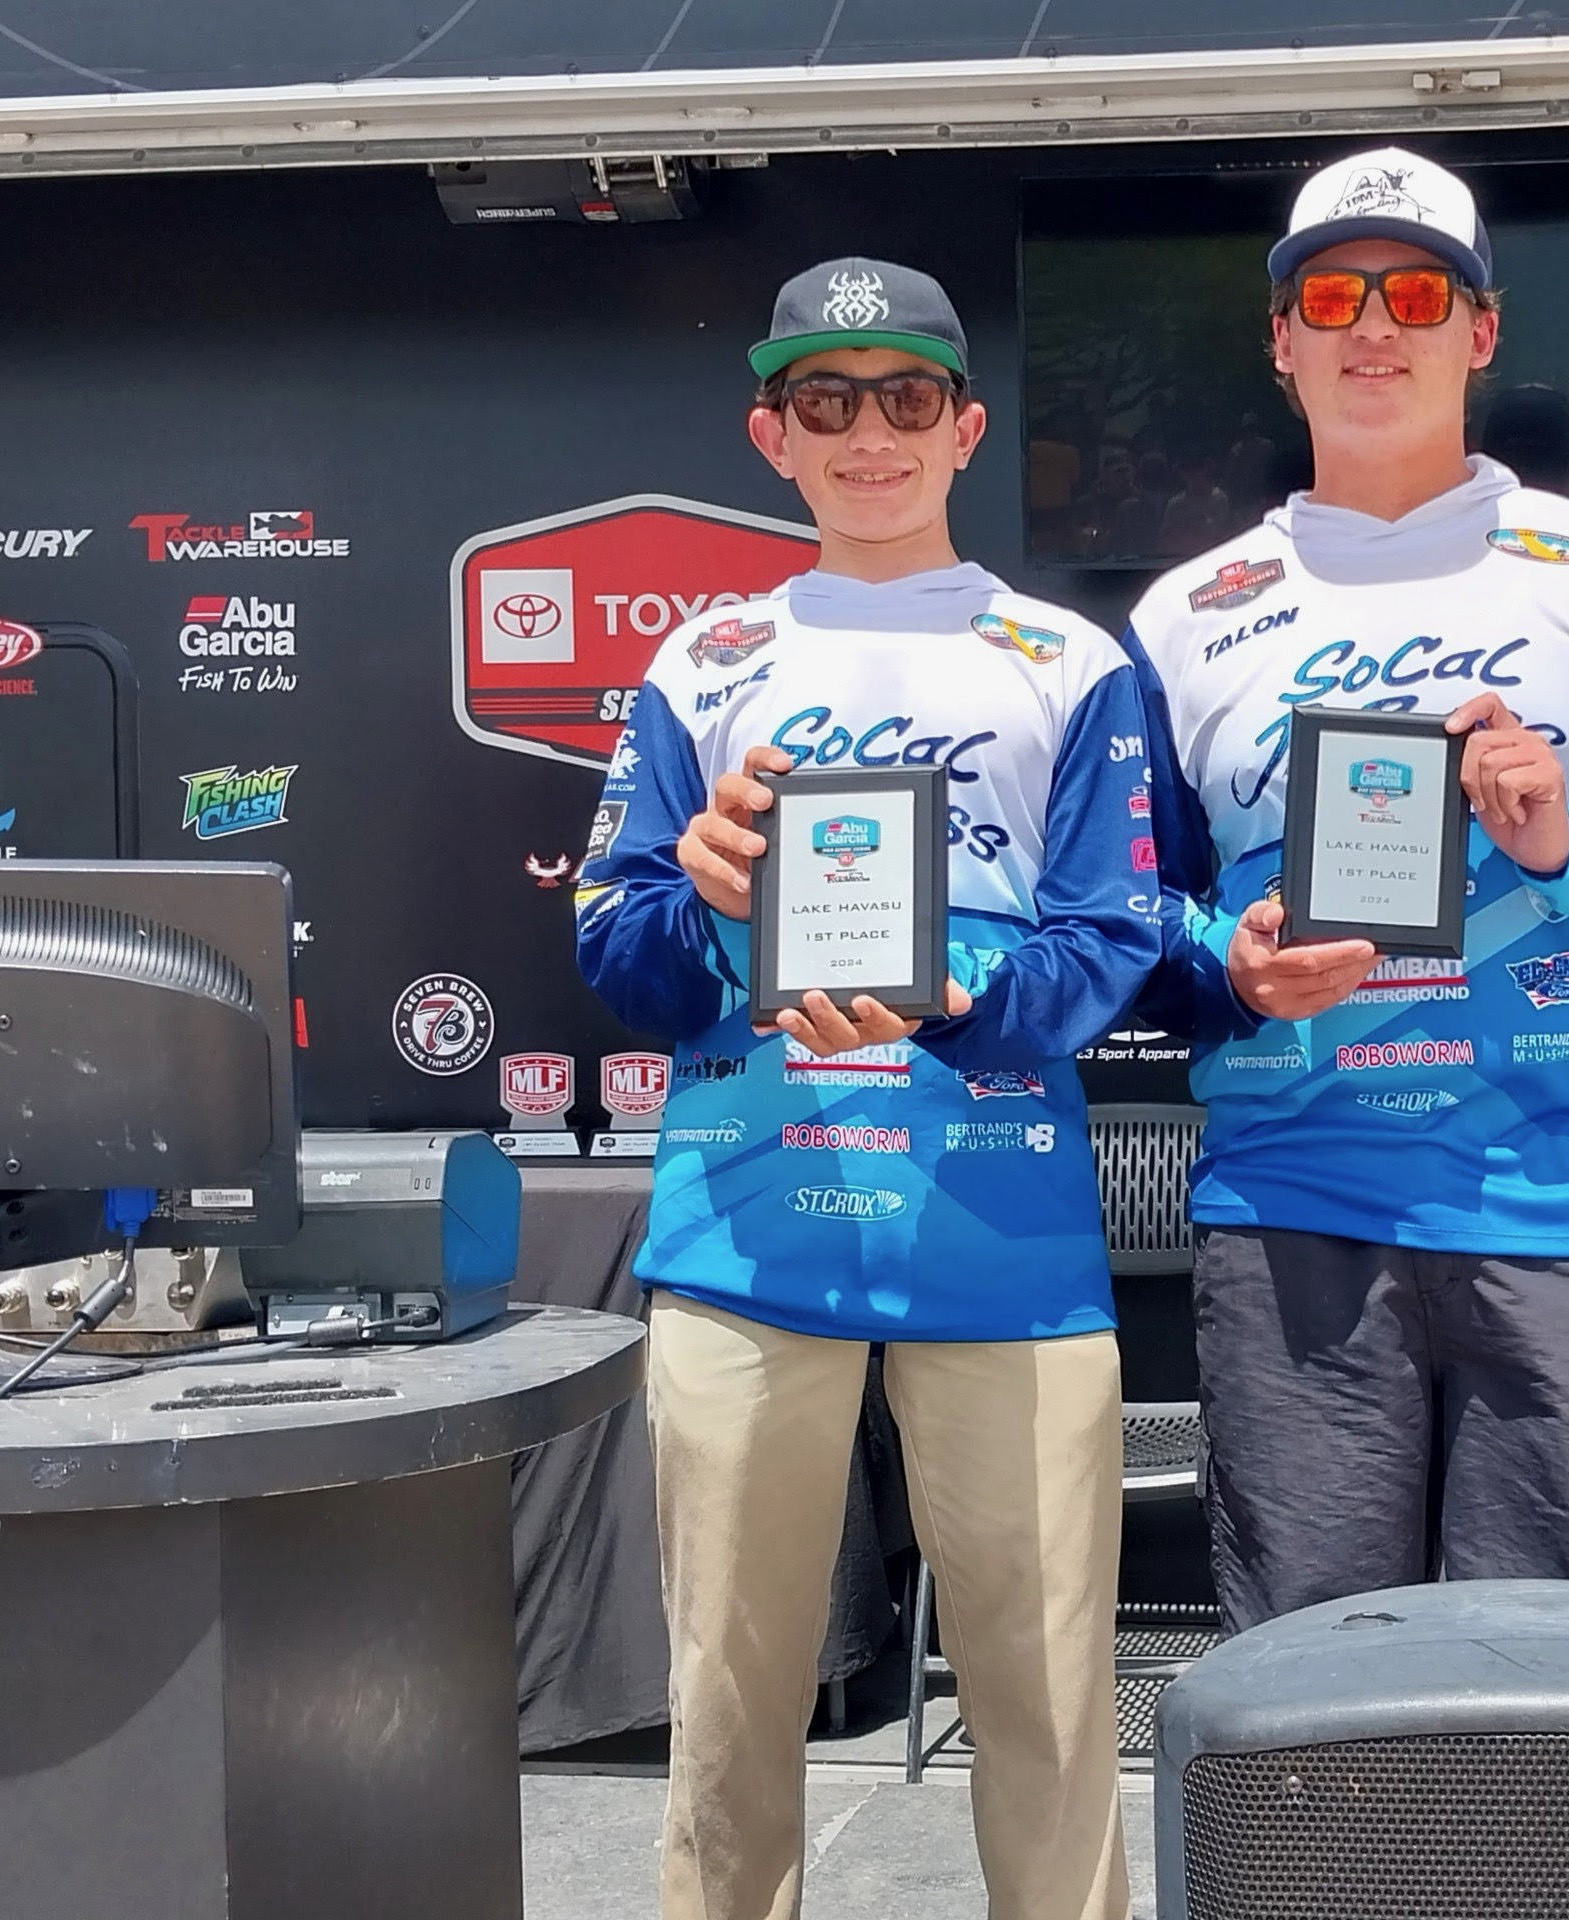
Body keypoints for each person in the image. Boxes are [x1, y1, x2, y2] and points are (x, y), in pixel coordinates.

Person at [1123, 150, 1569, 1634]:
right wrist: (1230, 967)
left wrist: (1565, 847)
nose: (1373, 326)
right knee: (1309, 1690)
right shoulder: (1183, 617)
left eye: (1416, 294)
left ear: (1479, 332)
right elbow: (1128, 920)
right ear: (1280, 340)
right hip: (1292, 1217)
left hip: (1562, 1210)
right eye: (1331, 298)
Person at [576, 257, 1153, 1920]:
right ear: (774, 436)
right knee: (726, 1713)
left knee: (1050, 1715)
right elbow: (615, 946)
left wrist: (967, 998)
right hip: (749, 1239)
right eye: (826, 401)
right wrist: (703, 900)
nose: (869, 433)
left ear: (965, 427)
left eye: (907, 396)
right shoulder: (701, 663)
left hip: (1001, 1242)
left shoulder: (1067, 660)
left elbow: (1116, 935)